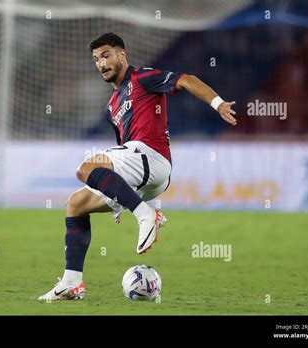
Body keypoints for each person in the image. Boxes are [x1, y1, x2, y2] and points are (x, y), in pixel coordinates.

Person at [39, 33, 236, 300]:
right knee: (75, 204)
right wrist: (120, 196)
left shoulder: (142, 78)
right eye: (96, 59)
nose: (101, 63)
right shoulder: (111, 107)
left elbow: (186, 80)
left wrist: (218, 103)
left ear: (122, 55)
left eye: (106, 55)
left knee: (84, 169)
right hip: (141, 172)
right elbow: (122, 152)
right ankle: (72, 282)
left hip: (153, 156)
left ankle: (145, 216)